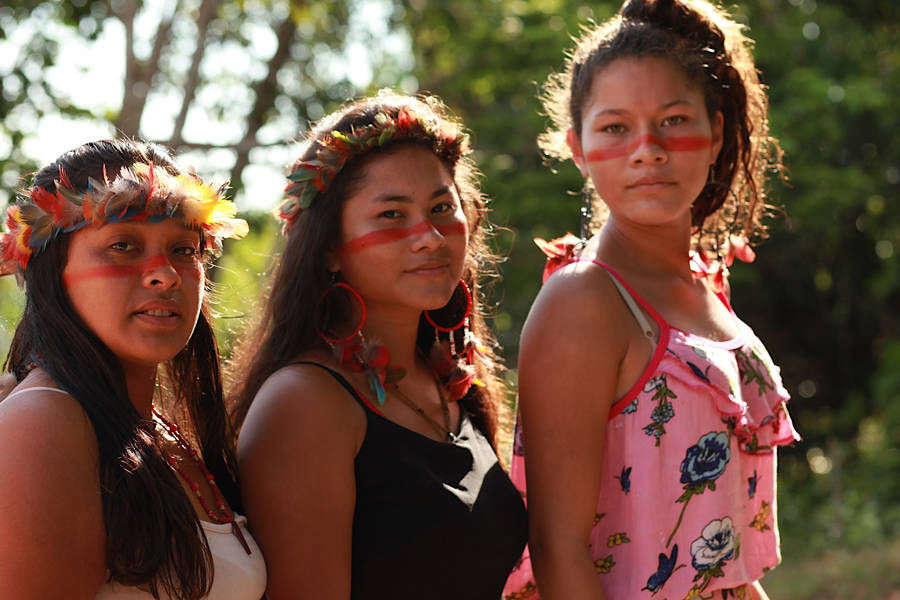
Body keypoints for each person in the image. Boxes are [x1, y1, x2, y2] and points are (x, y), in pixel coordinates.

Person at [502, 1, 801, 599]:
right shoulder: (584, 300)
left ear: (715, 133)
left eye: (673, 120)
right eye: (615, 128)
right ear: (578, 148)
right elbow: (559, 551)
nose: (648, 149)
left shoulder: (703, 287)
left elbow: (725, 558)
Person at [230, 91, 528, 599]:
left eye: (441, 208)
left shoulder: (448, 378)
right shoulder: (305, 402)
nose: (429, 237)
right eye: (392, 215)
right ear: (329, 248)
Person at [0, 140, 266, 599]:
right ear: (53, 274)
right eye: (123, 246)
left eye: (184, 249)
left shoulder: (158, 426)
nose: (166, 275)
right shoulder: (43, 420)